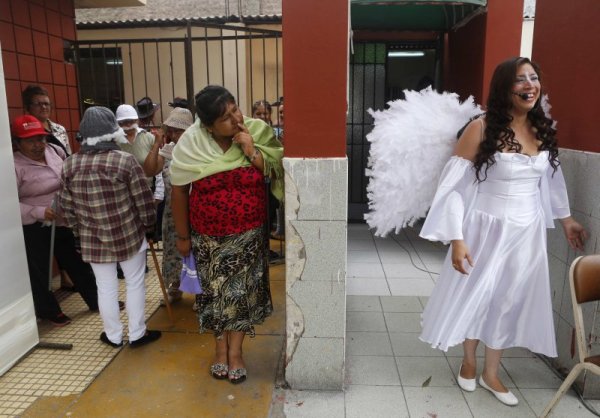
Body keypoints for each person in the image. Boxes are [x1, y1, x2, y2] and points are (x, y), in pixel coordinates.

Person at [418, 57, 587, 406]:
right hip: (484, 228)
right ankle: (468, 362)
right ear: (504, 88)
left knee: (508, 301)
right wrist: (457, 238)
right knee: (476, 294)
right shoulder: (480, 129)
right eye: (520, 80)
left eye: (534, 78)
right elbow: (452, 188)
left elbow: (551, 180)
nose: (530, 86)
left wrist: (567, 219)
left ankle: (491, 373)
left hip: (527, 234)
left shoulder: (542, 129)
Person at [170, 85, 283, 383]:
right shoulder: (191, 145)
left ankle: (236, 352)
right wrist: (182, 237)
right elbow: (179, 190)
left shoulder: (256, 131)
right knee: (216, 297)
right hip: (208, 238)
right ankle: (220, 349)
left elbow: (274, 173)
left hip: (249, 236)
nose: (235, 119)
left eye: (235, 109)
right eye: (224, 117)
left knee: (241, 297)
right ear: (207, 126)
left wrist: (251, 149)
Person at [57, 106, 161, 348]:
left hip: (92, 239)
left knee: (104, 287)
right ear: (113, 133)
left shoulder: (70, 165)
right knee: (135, 284)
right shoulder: (125, 161)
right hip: (129, 236)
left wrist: (78, 233)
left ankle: (113, 336)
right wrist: (149, 227)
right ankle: (137, 334)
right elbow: (143, 201)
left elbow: (67, 207)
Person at [12, 115, 98, 326]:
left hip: (63, 219)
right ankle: (48, 309)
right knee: (39, 269)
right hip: (35, 225)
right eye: (30, 140)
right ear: (17, 142)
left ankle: (97, 300)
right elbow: (7, 206)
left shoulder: (54, 151)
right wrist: (38, 212)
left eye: (40, 139)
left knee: (77, 261)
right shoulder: (13, 166)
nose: (38, 145)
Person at [143, 107, 194, 305]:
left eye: (178, 130)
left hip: (194, 210)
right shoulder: (168, 150)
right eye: (171, 130)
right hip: (172, 213)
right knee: (172, 250)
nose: (174, 134)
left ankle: (201, 293)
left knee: (196, 252)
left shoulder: (196, 149)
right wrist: (157, 143)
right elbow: (149, 170)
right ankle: (175, 287)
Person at [22, 85, 72, 154]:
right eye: (38, 104)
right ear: (27, 107)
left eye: (46, 104)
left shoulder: (60, 129)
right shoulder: (24, 130)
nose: (43, 107)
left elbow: (68, 154)